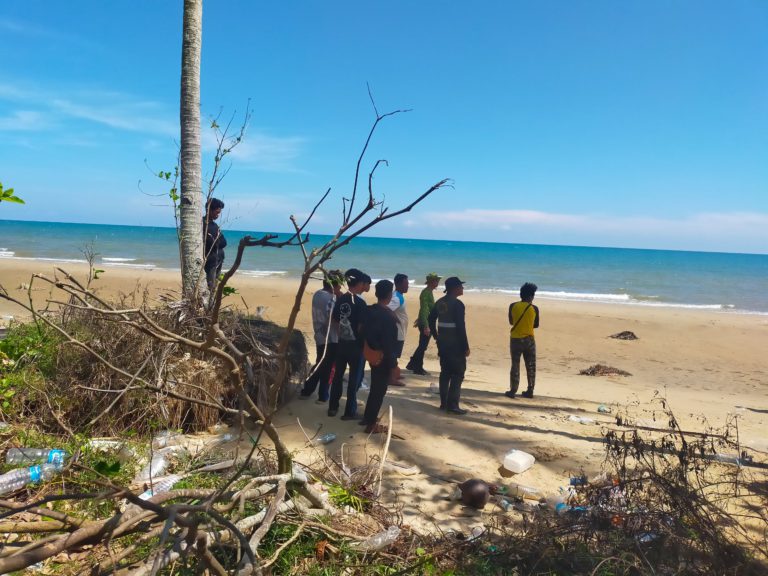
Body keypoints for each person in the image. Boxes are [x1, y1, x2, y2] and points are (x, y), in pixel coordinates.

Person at [359, 279, 398, 434]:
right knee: (379, 390)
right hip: (382, 356)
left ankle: (368, 418)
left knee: (375, 387)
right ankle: (370, 424)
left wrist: (369, 346)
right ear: (389, 295)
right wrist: (394, 364)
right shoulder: (387, 317)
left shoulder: (369, 310)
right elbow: (389, 344)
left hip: (371, 353)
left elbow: (360, 330)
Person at [328, 268, 368, 420]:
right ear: (359, 283)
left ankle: (333, 407)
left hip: (342, 343)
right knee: (353, 379)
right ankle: (349, 411)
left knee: (338, 376)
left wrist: (342, 335)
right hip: (356, 346)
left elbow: (335, 321)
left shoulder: (341, 299)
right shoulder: (359, 303)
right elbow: (361, 327)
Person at [299, 270, 344, 403]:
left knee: (320, 363)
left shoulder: (318, 294)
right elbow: (335, 319)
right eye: (339, 286)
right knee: (329, 368)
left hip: (319, 335)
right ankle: (323, 396)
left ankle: (307, 390)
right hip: (331, 338)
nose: (341, 288)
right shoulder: (332, 299)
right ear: (335, 285)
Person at [428, 276, 470, 415]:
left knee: (445, 372)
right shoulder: (458, 305)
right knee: (458, 373)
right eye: (461, 286)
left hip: (443, 343)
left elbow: (431, 318)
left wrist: (436, 336)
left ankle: (444, 402)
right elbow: (460, 327)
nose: (462, 288)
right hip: (455, 344)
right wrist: (465, 346)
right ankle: (453, 405)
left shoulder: (440, 302)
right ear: (455, 288)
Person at [506, 282, 540, 399]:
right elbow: (536, 325)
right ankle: (530, 390)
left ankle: (513, 390)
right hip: (529, 340)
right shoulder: (534, 308)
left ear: (521, 295)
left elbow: (511, 322)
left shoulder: (512, 306)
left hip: (515, 339)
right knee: (531, 365)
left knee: (515, 364)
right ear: (531, 296)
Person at [406, 272, 441, 375]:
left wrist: (420, 319)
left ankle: (412, 363)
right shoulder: (426, 293)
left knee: (422, 345)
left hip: (425, 320)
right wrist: (425, 325)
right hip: (427, 322)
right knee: (422, 346)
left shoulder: (428, 292)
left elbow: (425, 309)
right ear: (431, 282)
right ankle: (417, 367)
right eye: (436, 281)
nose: (437, 283)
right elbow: (424, 309)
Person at [386, 273, 409, 386]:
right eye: (406, 284)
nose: (408, 286)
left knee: (395, 354)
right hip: (396, 332)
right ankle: (391, 378)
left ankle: (394, 373)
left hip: (400, 331)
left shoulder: (399, 295)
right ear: (398, 284)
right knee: (393, 354)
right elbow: (386, 309)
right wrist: (396, 319)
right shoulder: (396, 297)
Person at [203, 198, 227, 291]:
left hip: (218, 260)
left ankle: (212, 303)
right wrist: (217, 242)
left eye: (219, 213)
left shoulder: (214, 225)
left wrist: (217, 242)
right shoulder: (204, 224)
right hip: (210, 262)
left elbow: (224, 242)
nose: (218, 215)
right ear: (210, 210)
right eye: (217, 212)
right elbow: (211, 243)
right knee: (211, 286)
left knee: (215, 286)